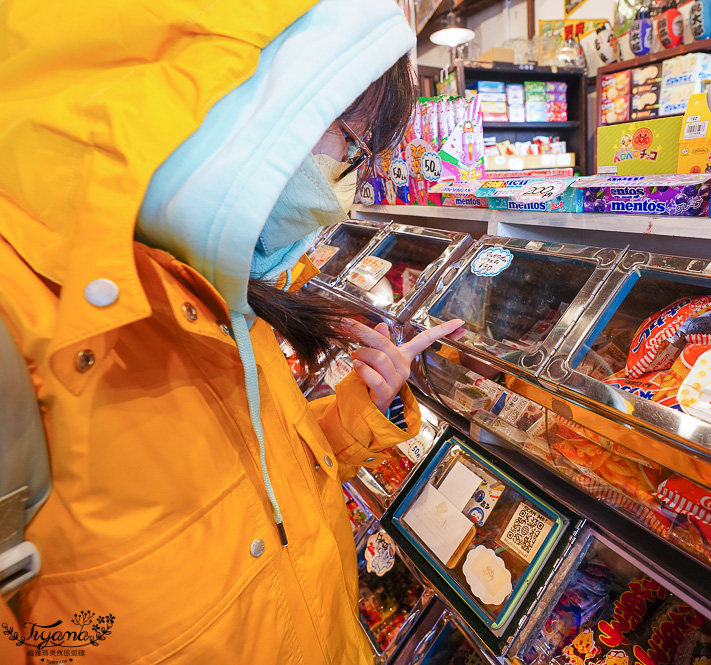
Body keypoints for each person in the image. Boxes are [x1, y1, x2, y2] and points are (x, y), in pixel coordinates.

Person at [0, 1, 461, 663]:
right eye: (350, 147)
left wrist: (365, 408)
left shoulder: (210, 282)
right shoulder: (20, 325)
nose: (342, 192)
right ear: (268, 89)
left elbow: (267, 492)